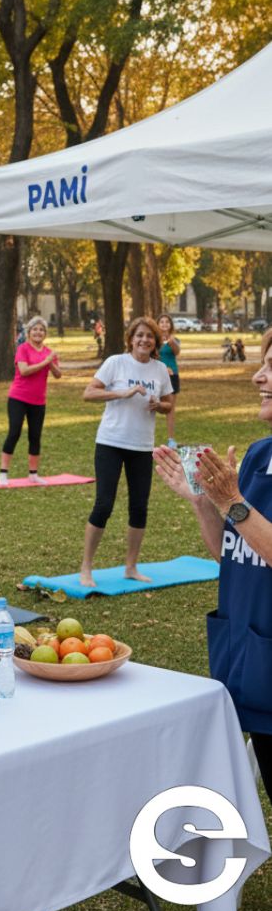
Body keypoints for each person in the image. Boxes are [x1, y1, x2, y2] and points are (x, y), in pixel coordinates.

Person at [153, 327, 272, 801]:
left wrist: (233, 503)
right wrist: (204, 502)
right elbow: (232, 553)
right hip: (252, 658)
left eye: (271, 369)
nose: (258, 377)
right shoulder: (261, 453)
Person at [79, 316, 173, 588]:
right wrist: (123, 393)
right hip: (111, 442)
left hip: (142, 446)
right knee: (104, 504)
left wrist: (159, 405)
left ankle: (131, 566)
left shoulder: (159, 369)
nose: (144, 340)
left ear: (155, 342)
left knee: (139, 507)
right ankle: (86, 568)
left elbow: (169, 404)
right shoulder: (115, 363)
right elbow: (88, 393)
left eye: (149, 336)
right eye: (139, 335)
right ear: (131, 338)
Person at [0, 315, 61, 485]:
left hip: (39, 401)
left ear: (45, 333)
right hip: (18, 398)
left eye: (41, 329)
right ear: (29, 332)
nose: (38, 332)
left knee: (35, 436)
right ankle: (3, 473)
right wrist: (45, 362)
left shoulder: (49, 353)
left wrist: (51, 363)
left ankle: (33, 474)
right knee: (14, 432)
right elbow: (24, 370)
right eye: (35, 329)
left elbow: (58, 375)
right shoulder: (23, 348)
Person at [157, 313, 181, 447]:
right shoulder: (153, 340)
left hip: (172, 376)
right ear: (158, 324)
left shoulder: (175, 339)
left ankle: (171, 439)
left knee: (170, 408)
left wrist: (172, 342)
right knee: (150, 404)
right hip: (156, 376)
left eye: (167, 322)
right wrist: (163, 368)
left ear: (170, 325)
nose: (164, 324)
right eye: (162, 322)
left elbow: (177, 352)